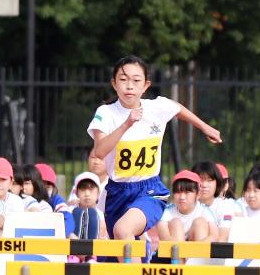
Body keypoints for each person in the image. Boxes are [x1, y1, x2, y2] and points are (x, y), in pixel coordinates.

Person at [86, 54, 222, 243]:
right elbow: (100, 151)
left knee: (123, 230)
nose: (129, 86)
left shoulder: (156, 107)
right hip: (117, 191)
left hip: (149, 189)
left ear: (146, 85)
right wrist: (126, 124)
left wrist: (204, 127)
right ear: (114, 83)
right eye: (123, 80)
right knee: (117, 250)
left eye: (136, 80)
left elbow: (177, 108)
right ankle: (142, 261)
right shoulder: (106, 113)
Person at [158, 169, 215, 244]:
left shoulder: (204, 210)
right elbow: (164, 238)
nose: (182, 197)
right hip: (175, 251)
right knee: (176, 223)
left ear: (198, 195)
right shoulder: (167, 211)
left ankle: (197, 255)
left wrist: (191, 250)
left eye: (187, 192)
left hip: (196, 250)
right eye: (178, 192)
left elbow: (214, 236)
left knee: (200, 222)